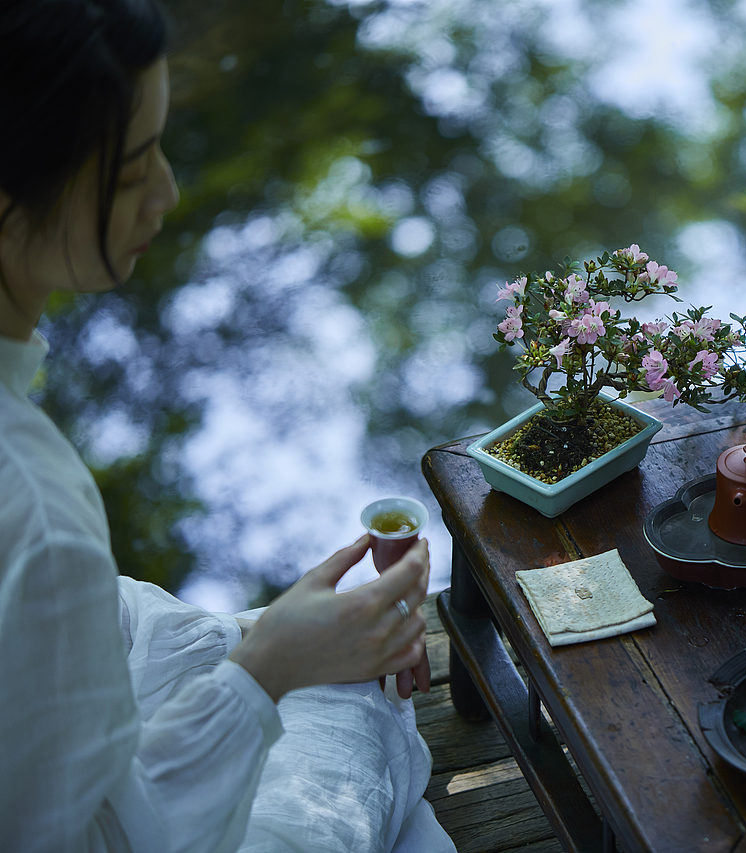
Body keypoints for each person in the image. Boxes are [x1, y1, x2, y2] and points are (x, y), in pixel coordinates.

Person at [0, 1, 456, 850]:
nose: (168, 193)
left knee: (336, 668)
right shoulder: (31, 497)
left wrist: (266, 639)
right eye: (134, 168)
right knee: (352, 707)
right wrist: (270, 665)